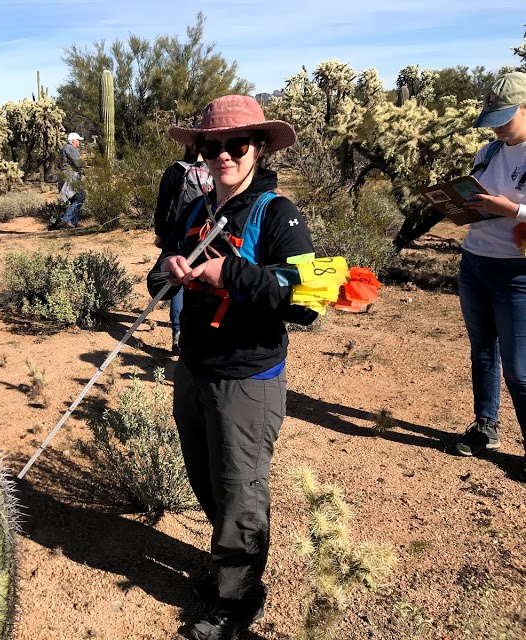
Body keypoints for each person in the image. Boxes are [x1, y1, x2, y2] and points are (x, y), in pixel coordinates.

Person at [148, 95, 316, 640]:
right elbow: (160, 274)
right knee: (209, 481)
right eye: (212, 145)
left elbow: (306, 299)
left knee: (240, 490)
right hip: (195, 368)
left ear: (258, 149)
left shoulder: (279, 214)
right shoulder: (197, 210)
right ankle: (228, 571)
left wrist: (233, 276)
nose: (224, 155)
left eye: (236, 145)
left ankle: (239, 600)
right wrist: (167, 268)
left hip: (247, 377)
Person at [452, 71, 526, 482]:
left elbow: (510, 208)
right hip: (475, 261)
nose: (497, 126)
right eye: (492, 118)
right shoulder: (488, 151)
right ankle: (486, 426)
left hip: (517, 272)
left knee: (519, 368)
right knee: (483, 350)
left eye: (505, 117)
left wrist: (511, 210)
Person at [154, 146, 210, 353]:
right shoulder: (215, 171)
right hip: (205, 236)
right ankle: (199, 333)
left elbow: (163, 206)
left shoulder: (175, 171)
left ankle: (178, 332)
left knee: (177, 278)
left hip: (178, 235)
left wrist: (160, 233)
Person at [59, 132, 85, 228]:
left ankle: (73, 223)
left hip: (65, 176)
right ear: (73, 141)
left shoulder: (64, 148)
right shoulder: (70, 148)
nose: (79, 142)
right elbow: (77, 163)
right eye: (78, 140)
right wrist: (85, 166)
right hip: (71, 176)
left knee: (75, 198)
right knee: (80, 197)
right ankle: (66, 220)